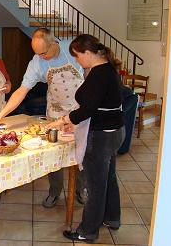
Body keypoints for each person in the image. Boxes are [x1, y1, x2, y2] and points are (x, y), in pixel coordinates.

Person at [0, 28, 84, 208]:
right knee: (54, 154)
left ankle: (81, 189)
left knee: (81, 153)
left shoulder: (72, 49)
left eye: (43, 52)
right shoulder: (37, 62)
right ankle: (54, 192)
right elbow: (22, 91)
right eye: (37, 53)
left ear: (54, 43)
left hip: (78, 113)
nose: (41, 56)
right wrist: (0, 115)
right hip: (54, 114)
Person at [47, 34, 125, 243]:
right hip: (114, 131)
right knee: (108, 177)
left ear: (89, 53)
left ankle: (88, 231)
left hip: (101, 136)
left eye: (78, 56)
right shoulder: (108, 69)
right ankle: (112, 217)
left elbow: (88, 107)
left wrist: (63, 120)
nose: (77, 60)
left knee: (96, 184)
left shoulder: (100, 73)